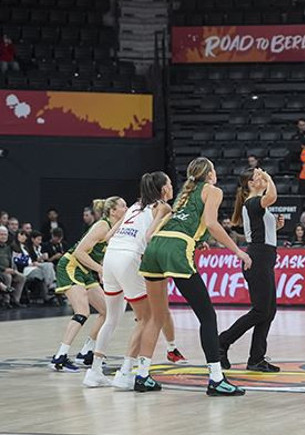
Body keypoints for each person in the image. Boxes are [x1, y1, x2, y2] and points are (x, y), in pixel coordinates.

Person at [136, 157, 252, 396]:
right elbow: (212, 224)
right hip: (175, 251)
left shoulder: (184, 193)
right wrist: (238, 251)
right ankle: (216, 379)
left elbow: (185, 223)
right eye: (214, 170)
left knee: (155, 318)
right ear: (209, 174)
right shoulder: (213, 190)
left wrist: (197, 242)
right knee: (207, 316)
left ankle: (141, 375)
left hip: (155, 247)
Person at [82, 173, 187, 389]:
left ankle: (94, 371)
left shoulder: (134, 206)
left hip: (111, 256)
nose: (171, 185)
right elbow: (149, 236)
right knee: (146, 319)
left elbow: (109, 236)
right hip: (129, 258)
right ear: (162, 189)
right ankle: (126, 372)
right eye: (168, 183)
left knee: (111, 318)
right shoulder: (163, 208)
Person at [51, 196, 127, 372]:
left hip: (86, 270)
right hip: (71, 266)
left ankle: (86, 352)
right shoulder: (102, 225)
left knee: (107, 311)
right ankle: (59, 357)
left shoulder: (117, 228)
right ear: (113, 211)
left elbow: (102, 253)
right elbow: (79, 252)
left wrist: (101, 270)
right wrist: (100, 270)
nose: (127, 208)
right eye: (123, 206)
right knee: (82, 311)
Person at [219, 168, 283, 374]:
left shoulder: (255, 205)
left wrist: (276, 228)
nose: (261, 179)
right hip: (258, 259)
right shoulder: (253, 202)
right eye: (257, 178)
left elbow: (261, 232)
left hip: (263, 257)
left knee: (268, 311)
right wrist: (270, 177)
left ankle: (256, 358)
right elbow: (272, 195)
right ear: (250, 185)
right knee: (261, 311)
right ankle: (222, 341)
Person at [0, 226, 25, 308]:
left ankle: (15, 300)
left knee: (22, 277)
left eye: (5, 235)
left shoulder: (8, 248)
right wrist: (4, 269)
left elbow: (12, 260)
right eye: (1, 234)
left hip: (9, 270)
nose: (3, 236)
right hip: (1, 271)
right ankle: (6, 301)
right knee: (8, 277)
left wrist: (14, 270)